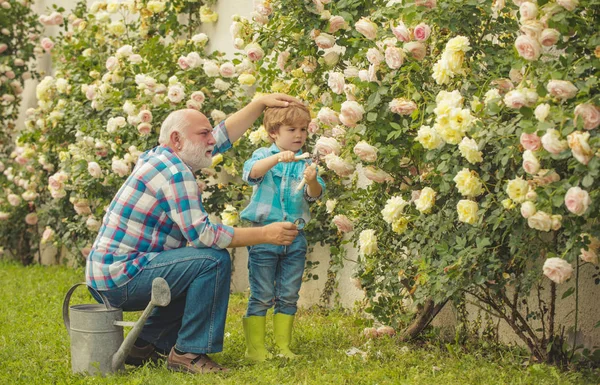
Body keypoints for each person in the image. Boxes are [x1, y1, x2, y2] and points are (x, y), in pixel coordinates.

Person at [85, 93, 301, 374]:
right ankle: (189, 353)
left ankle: (146, 344)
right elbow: (204, 236)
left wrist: (259, 103)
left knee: (191, 263)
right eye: (204, 134)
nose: (212, 140)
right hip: (120, 281)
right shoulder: (175, 173)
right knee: (211, 260)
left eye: (210, 133)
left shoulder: (160, 155)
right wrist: (266, 234)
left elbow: (221, 136)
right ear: (177, 139)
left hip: (109, 275)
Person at [240, 103, 325, 361]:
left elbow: (315, 195)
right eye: (292, 129)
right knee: (262, 293)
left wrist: (311, 180)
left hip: (295, 237)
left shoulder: (306, 162)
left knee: (288, 294)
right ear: (274, 133)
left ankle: (283, 347)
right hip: (264, 236)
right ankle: (255, 349)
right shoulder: (263, 155)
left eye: (303, 129)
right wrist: (277, 157)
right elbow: (251, 174)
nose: (299, 135)